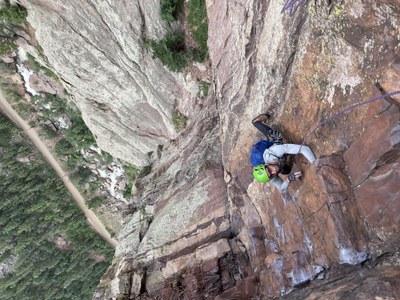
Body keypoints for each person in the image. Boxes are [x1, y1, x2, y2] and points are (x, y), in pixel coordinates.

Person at [251, 113, 316, 191]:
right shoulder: (269, 176)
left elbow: (304, 149)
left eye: (269, 170)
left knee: (277, 136)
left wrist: (314, 162)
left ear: (267, 164)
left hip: (267, 150)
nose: (273, 171)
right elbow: (282, 189)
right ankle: (288, 157)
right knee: (286, 170)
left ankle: (256, 123)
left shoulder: (276, 151)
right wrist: (289, 179)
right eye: (271, 174)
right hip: (271, 159)